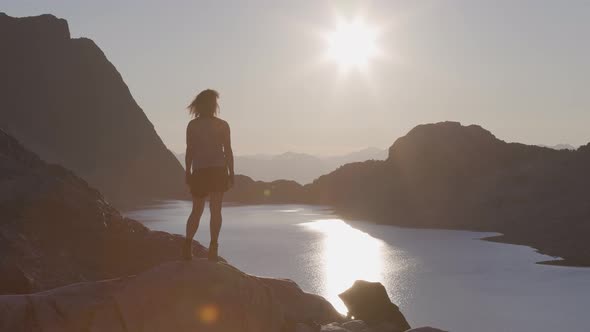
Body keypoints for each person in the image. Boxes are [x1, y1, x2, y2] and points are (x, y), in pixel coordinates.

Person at [183, 89, 234, 262]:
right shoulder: (222, 125)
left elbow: (190, 150)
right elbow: (227, 151)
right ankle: (213, 248)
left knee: (197, 210)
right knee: (215, 210)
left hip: (200, 171)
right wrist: (231, 172)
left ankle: (187, 246)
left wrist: (188, 171)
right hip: (218, 170)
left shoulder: (193, 125)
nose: (215, 105)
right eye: (213, 102)